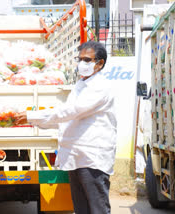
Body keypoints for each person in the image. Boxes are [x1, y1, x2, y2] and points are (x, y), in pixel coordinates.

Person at [14, 41, 117, 214]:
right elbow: (65, 119)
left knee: (97, 209)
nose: (82, 64)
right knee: (81, 209)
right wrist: (30, 120)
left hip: (92, 158)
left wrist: (32, 115)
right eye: (80, 59)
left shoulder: (100, 87)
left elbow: (70, 112)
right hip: (76, 157)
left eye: (87, 60)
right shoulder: (80, 86)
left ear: (100, 63)